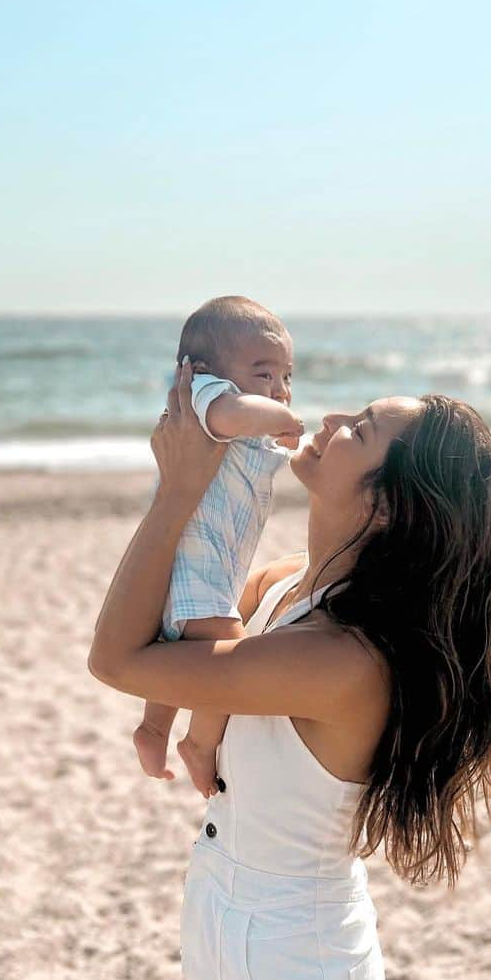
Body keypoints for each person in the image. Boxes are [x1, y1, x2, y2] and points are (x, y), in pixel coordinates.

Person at [89, 361, 491, 980]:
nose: (329, 421)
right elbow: (180, 630)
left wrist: (176, 489)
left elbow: (117, 658)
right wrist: (216, 465)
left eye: (358, 431)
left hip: (289, 958)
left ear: (386, 508)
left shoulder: (347, 658)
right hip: (235, 925)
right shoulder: (285, 586)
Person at [131, 296, 305, 796]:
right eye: (263, 373)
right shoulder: (205, 395)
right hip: (193, 563)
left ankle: (154, 728)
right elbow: (233, 412)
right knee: (229, 656)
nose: (279, 389)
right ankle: (199, 744)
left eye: (286, 377)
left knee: (176, 655)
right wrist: (277, 417)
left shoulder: (239, 414)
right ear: (203, 369)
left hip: (203, 567)